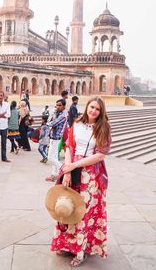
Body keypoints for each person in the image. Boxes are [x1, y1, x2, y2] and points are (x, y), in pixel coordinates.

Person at [51, 96, 111, 267]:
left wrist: (74, 165)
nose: (93, 111)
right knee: (67, 206)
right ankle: (67, 245)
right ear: (87, 107)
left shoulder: (103, 128)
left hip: (90, 174)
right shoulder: (76, 123)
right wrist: (68, 171)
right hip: (72, 168)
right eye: (91, 107)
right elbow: (70, 146)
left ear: (101, 112)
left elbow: (100, 155)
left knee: (84, 213)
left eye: (97, 109)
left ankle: (82, 249)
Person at [45, 99, 67, 182]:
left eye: (59, 105)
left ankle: (64, 170)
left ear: (64, 106)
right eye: (56, 105)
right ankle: (54, 175)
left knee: (50, 157)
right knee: (55, 157)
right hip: (53, 137)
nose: (57, 107)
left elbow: (53, 123)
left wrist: (46, 125)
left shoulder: (63, 115)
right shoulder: (57, 113)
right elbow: (50, 120)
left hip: (56, 138)